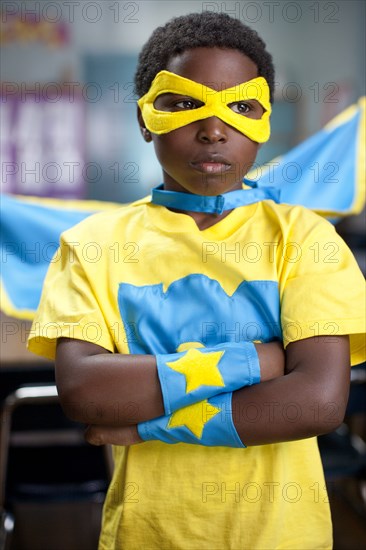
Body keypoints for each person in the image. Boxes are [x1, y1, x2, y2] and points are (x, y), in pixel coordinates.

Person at [28, 12, 365, 550]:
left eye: (241, 107)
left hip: (281, 535)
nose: (213, 129)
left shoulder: (306, 239)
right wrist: (258, 360)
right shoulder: (93, 244)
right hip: (146, 535)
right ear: (144, 118)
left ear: (265, 121)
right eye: (183, 104)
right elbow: (86, 392)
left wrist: (144, 425)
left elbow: (316, 404)